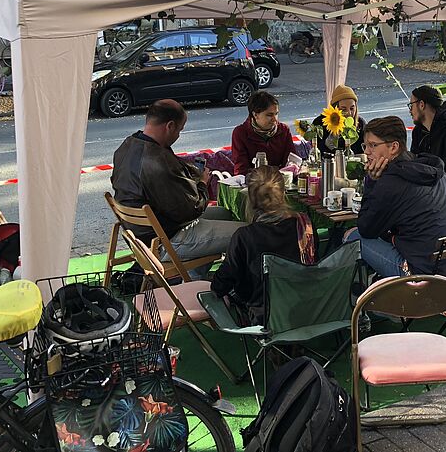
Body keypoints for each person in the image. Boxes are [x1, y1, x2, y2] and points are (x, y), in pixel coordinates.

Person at [111, 100, 245, 274]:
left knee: (227, 213)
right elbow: (192, 209)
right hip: (165, 240)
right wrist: (203, 183)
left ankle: (195, 280)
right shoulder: (158, 161)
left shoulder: (127, 146)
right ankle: (211, 285)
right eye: (180, 130)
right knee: (247, 232)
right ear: (170, 126)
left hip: (141, 234)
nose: (178, 136)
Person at [344, 116, 446, 287]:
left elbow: (366, 228)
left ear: (393, 147)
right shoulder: (432, 168)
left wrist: (371, 182)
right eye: (365, 146)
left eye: (373, 145)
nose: (367, 152)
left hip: (427, 278)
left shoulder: (390, 183)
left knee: (353, 237)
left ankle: (366, 291)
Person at [210, 166, 315, 324]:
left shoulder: (244, 237)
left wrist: (217, 287)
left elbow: (222, 282)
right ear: (283, 193)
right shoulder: (304, 225)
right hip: (307, 307)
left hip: (265, 316)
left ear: (251, 200)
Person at [231, 91, 296, 175]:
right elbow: (241, 170)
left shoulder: (284, 130)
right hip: (253, 184)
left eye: (276, 114)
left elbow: (291, 161)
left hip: (282, 181)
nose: (275, 119)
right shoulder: (240, 133)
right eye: (269, 115)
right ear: (255, 115)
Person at [312, 84, 366, 156]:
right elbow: (317, 151)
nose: (349, 113)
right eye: (343, 109)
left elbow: (364, 150)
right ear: (335, 108)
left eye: (352, 108)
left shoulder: (360, 123)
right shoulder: (320, 123)